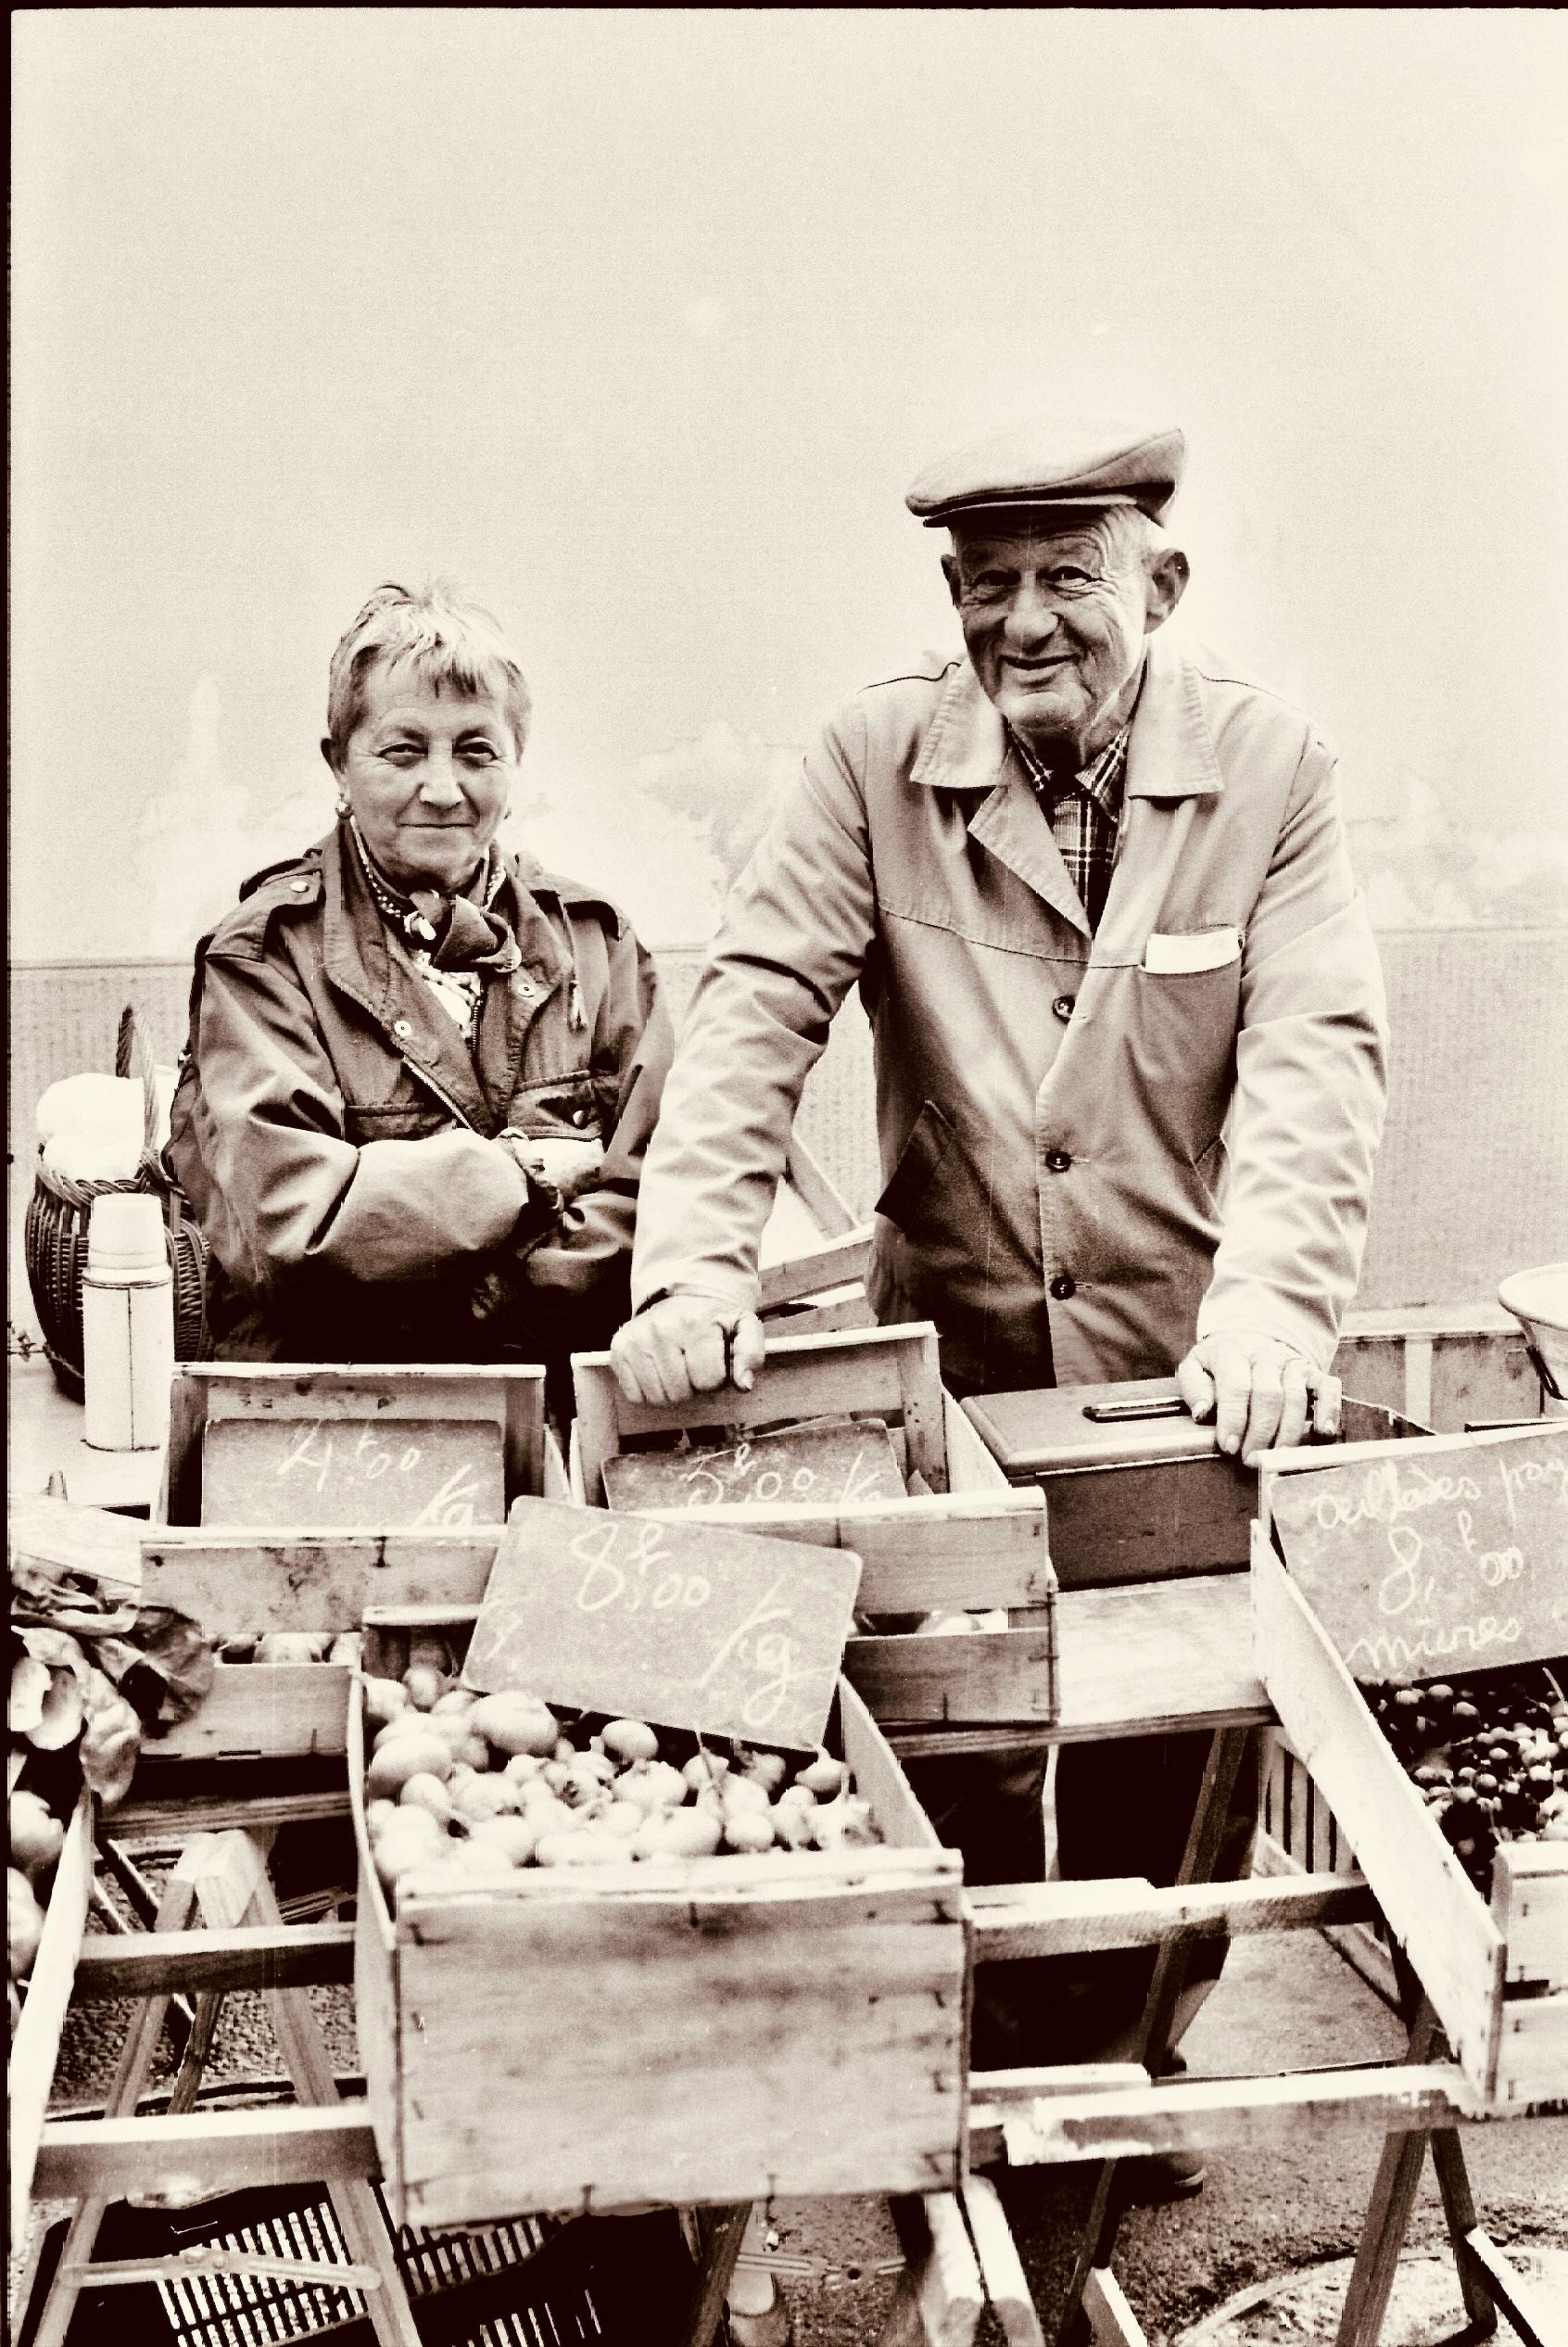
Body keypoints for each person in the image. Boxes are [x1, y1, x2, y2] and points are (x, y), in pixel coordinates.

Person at [610, 419, 1389, 2172]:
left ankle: (1115, 2072)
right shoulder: (866, 758)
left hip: (1172, 1372)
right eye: (986, 585)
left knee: (1167, 1744)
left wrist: (1272, 1310)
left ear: (1161, 587)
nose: (1023, 621)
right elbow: (750, 1013)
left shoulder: (1271, 770)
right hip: (945, 1351)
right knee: (941, 1721)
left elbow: (1317, 1057)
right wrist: (694, 1265)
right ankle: (937, 2091)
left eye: (1067, 577)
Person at [169, 580, 672, 1402]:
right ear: (338, 762)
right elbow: (294, 1230)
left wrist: (480, 1295)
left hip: (561, 1396)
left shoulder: (598, 941)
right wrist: (527, 1178)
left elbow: (659, 1181)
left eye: (477, 751)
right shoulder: (262, 959)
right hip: (338, 1413)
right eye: (403, 752)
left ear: (516, 762)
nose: (443, 787)